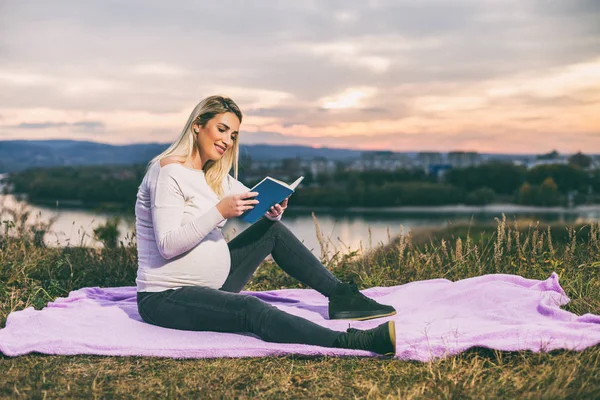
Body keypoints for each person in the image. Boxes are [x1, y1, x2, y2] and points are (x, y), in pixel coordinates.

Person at [135, 95, 397, 356]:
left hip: (212, 288)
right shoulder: (167, 172)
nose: (227, 141)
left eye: (234, 135)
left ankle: (341, 296)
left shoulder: (213, 175)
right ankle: (353, 342)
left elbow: (255, 203)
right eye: (222, 129)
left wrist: (273, 211)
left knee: (273, 231)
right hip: (165, 298)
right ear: (197, 125)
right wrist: (219, 211)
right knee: (251, 308)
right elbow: (167, 246)